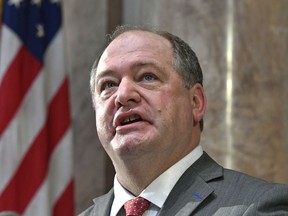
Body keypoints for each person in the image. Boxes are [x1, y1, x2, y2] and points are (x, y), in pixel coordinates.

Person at [79, 25, 288, 216]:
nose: (123, 95)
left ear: (195, 102)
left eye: (147, 77)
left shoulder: (259, 207)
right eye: (108, 85)